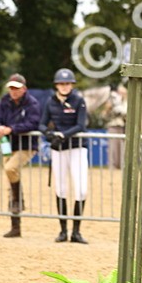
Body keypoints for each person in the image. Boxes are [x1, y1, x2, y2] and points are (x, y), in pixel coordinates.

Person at [40, 68, 90, 243]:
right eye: (61, 83)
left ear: (71, 85)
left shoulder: (79, 101)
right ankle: (63, 231)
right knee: (60, 189)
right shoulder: (50, 102)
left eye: (67, 83)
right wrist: (49, 134)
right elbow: (42, 124)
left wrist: (63, 135)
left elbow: (81, 125)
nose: (64, 86)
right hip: (59, 150)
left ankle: (76, 231)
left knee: (81, 190)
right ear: (56, 85)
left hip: (77, 148)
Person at [0, 73, 41, 238]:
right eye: (11, 88)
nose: (13, 91)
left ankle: (19, 201)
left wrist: (12, 129)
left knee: (10, 169)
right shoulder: (4, 101)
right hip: (9, 145)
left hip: (26, 146)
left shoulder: (32, 104)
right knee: (10, 178)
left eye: (16, 88)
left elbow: (33, 123)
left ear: (24, 89)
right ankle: (15, 225)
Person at [105, 85, 127, 170]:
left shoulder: (126, 101)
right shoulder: (112, 99)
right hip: (113, 125)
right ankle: (112, 166)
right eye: (121, 92)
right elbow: (106, 113)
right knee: (113, 147)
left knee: (122, 147)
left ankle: (121, 165)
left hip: (123, 126)